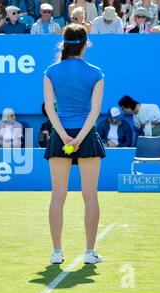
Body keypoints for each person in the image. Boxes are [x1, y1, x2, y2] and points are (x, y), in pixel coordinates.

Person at [43, 24, 106, 265]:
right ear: (85, 43)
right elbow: (96, 110)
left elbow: (50, 108)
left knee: (58, 195)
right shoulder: (96, 72)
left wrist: (65, 137)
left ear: (63, 43)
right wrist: (80, 137)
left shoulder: (51, 71)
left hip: (61, 136)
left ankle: (57, 252)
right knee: (90, 195)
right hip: (86, 134)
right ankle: (90, 252)